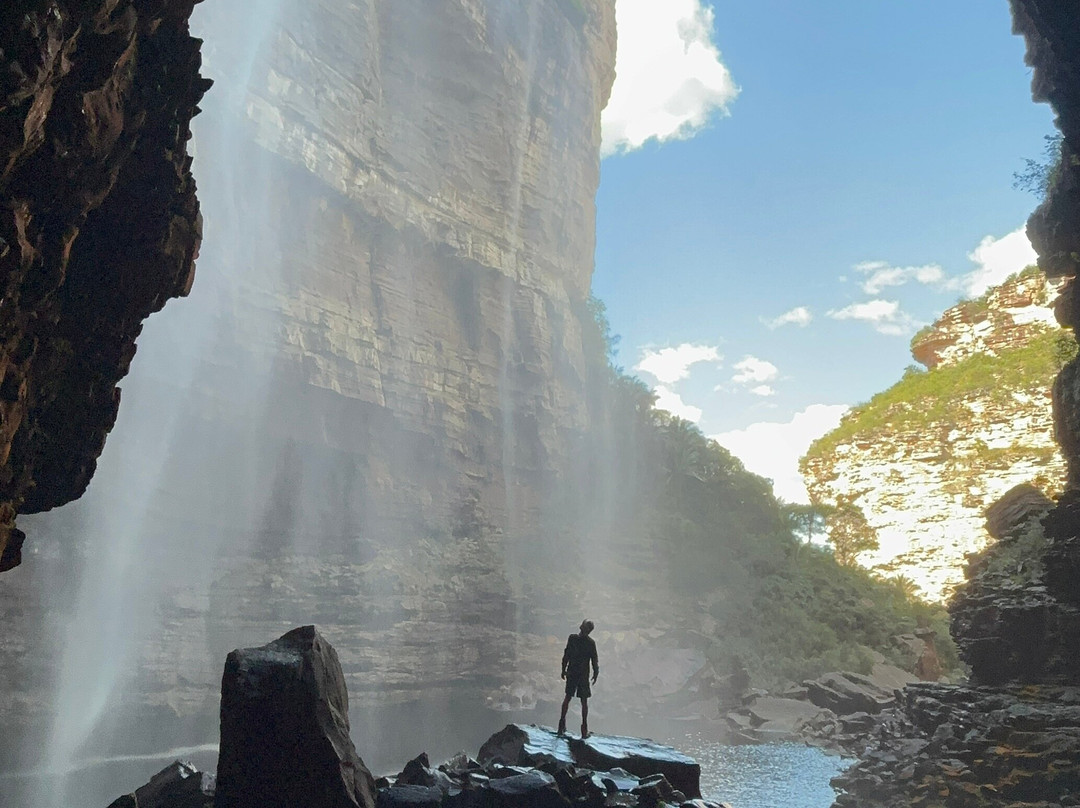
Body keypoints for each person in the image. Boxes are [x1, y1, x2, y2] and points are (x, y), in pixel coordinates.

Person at [557, 619, 599, 738]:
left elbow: (566, 655)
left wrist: (563, 669)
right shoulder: (591, 643)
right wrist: (596, 673)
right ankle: (584, 730)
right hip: (583, 674)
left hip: (572, 672)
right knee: (584, 701)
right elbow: (594, 660)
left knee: (568, 697)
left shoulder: (572, 638)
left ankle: (561, 724)